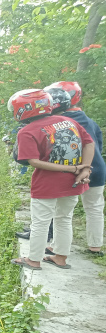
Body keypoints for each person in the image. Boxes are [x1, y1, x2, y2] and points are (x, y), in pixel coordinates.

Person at [9, 88, 95, 270]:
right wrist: (83, 169)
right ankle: (61, 257)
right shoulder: (68, 121)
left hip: (46, 184)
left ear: (22, 110)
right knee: (64, 218)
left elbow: (34, 161)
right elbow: (89, 143)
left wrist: (74, 168)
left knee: (40, 222)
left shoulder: (27, 131)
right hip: (73, 182)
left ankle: (34, 259)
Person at [45, 81, 105, 257]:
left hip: (73, 169)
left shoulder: (59, 122)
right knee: (94, 207)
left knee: (63, 211)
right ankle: (95, 247)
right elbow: (97, 146)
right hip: (97, 167)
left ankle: (57, 246)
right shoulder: (90, 121)